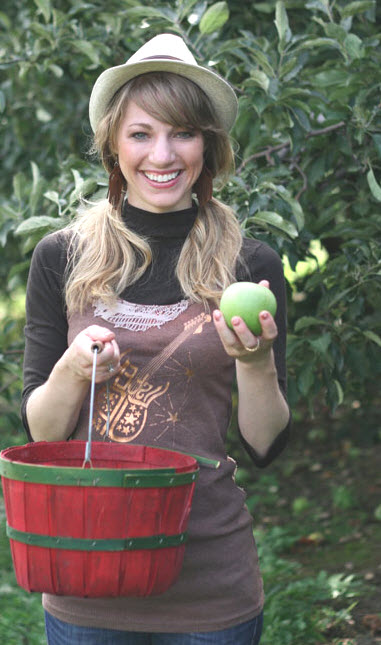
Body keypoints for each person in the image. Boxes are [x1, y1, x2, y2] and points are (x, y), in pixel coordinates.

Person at [21, 33, 291, 645]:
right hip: (86, 576)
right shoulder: (62, 257)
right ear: (113, 145)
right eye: (142, 133)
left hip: (209, 584)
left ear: (209, 146)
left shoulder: (250, 264)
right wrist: (71, 371)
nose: (162, 154)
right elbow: (42, 433)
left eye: (183, 133)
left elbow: (266, 445)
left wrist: (254, 363)